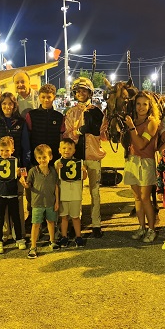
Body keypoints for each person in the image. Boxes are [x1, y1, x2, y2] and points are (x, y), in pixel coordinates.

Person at [63, 77, 108, 238]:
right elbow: (68, 135)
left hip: (94, 157)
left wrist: (95, 126)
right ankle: (76, 221)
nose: (81, 93)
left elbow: (103, 134)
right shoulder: (71, 113)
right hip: (77, 159)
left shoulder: (97, 111)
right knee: (76, 192)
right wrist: (79, 131)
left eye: (84, 90)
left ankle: (96, 223)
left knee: (95, 192)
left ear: (90, 92)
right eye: (78, 90)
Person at [0, 92, 30, 237]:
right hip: (0, 171)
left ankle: (19, 233)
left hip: (16, 169)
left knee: (17, 202)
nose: (7, 106)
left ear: (14, 105)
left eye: (10, 103)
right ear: (0, 105)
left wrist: (23, 169)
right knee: (2, 202)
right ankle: (5, 232)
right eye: (4, 104)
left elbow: (26, 148)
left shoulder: (21, 122)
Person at [123, 91, 161, 243]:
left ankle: (152, 229)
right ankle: (141, 227)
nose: (141, 107)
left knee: (145, 198)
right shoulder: (131, 120)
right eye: (138, 104)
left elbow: (140, 144)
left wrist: (131, 128)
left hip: (146, 162)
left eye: (145, 104)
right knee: (137, 198)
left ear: (150, 106)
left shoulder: (152, 122)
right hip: (132, 161)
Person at [21, 144, 60, 259]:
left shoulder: (53, 171)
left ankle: (52, 241)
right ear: (36, 159)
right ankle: (33, 247)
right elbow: (28, 185)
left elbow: (56, 186)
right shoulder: (33, 171)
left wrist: (57, 201)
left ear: (50, 157)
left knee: (51, 222)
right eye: (39, 158)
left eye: (44, 157)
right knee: (36, 224)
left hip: (50, 202)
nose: (42, 160)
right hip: (37, 203)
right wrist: (24, 184)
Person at [0, 136, 26, 254]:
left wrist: (20, 174)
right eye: (2, 150)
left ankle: (19, 238)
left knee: (16, 217)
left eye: (7, 150)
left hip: (13, 193)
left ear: (12, 150)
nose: (4, 153)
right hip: (0, 194)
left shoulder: (15, 161)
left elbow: (23, 171)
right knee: (0, 218)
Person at [55, 138, 88, 248]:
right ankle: (64, 236)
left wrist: (84, 170)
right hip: (63, 194)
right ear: (59, 150)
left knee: (75, 217)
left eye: (69, 148)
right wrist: (57, 169)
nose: (66, 150)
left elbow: (83, 177)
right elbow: (54, 178)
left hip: (75, 194)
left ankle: (78, 236)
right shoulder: (57, 163)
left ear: (74, 150)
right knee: (64, 217)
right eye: (64, 148)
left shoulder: (79, 163)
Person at [26, 83, 65, 164]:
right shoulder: (31, 115)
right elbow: (27, 136)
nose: (46, 100)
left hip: (53, 156)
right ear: (39, 97)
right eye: (43, 97)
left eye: (49, 97)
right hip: (36, 157)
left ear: (54, 97)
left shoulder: (59, 116)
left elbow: (61, 136)